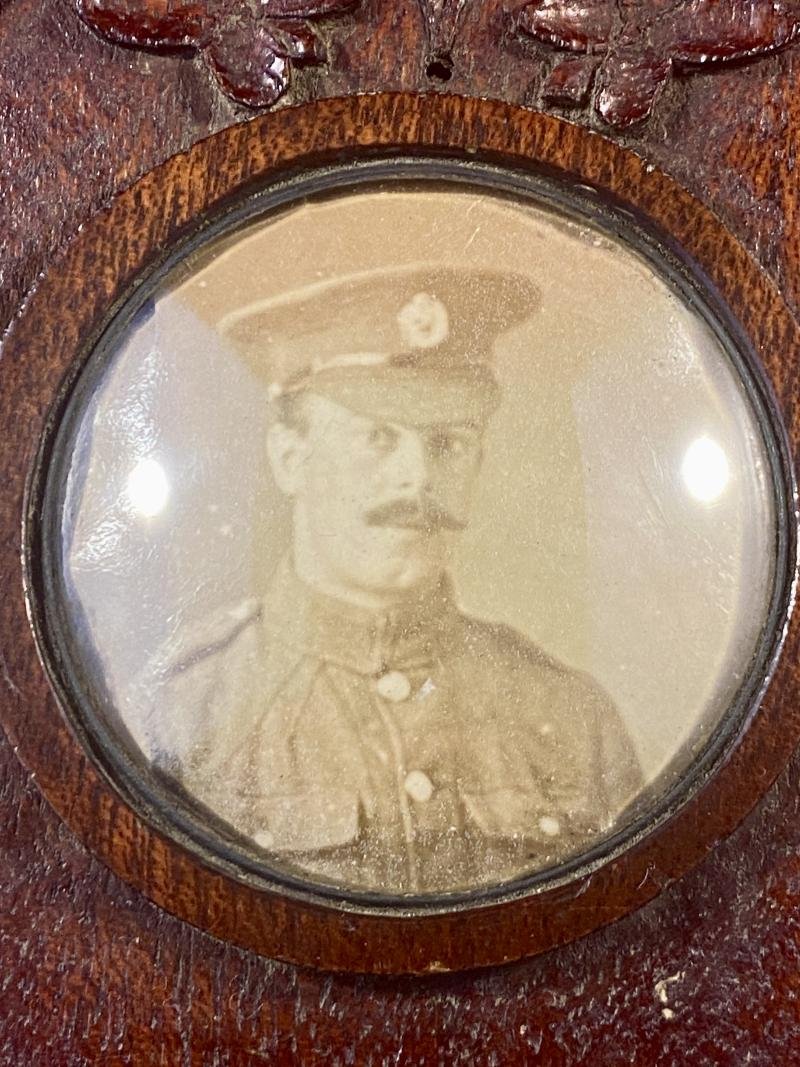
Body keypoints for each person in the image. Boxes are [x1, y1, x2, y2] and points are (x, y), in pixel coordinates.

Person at [127, 264, 643, 894]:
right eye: (376, 436)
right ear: (289, 458)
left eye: (448, 443)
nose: (418, 479)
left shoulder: (569, 716)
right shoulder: (186, 712)